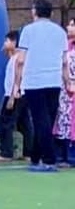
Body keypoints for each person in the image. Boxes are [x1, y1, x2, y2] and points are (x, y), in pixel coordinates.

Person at [13, 0, 68, 172]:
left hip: (34, 81)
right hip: (54, 81)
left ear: (34, 12)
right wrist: (67, 81)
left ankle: (48, 159)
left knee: (40, 120)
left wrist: (17, 84)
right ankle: (36, 157)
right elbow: (64, 61)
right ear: (51, 13)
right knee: (47, 120)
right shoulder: (60, 31)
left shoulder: (28, 31)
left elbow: (20, 60)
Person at [0, 30, 34, 162]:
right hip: (19, 93)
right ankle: (29, 152)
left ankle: (7, 152)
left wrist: (13, 95)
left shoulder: (19, 58)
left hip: (16, 93)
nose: (4, 43)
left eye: (6, 41)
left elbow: (18, 76)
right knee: (24, 123)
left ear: (14, 42)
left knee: (5, 123)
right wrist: (7, 50)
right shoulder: (15, 56)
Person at [53, 19, 75, 166]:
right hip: (63, 90)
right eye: (69, 24)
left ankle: (71, 156)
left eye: (73, 25)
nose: (69, 27)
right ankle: (61, 155)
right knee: (61, 120)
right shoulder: (64, 46)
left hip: (73, 89)